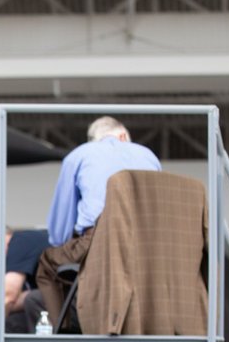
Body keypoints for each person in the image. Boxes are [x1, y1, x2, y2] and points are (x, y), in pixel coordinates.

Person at [35, 116, 162, 322]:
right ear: (122, 135)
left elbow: (59, 228)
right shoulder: (149, 156)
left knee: (48, 265)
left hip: (97, 241)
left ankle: (63, 332)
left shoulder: (80, 155)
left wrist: (65, 243)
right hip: (147, 245)